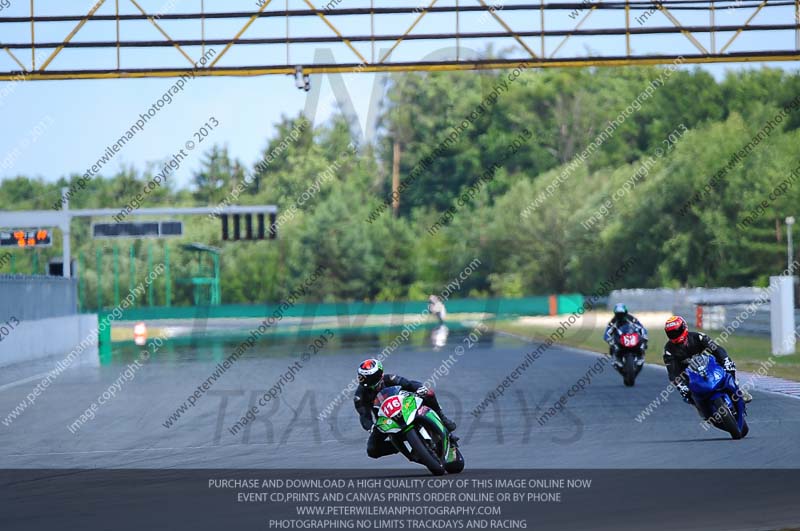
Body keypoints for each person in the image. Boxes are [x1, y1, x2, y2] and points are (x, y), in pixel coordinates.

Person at [353, 358, 457, 459]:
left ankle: (443, 419)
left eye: (371, 378)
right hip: (386, 421)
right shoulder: (359, 396)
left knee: (428, 393)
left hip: (405, 407)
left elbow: (409, 384)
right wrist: (370, 427)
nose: (368, 382)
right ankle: (402, 447)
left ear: (380, 374)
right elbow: (364, 416)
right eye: (364, 378)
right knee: (372, 450)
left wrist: (420, 388)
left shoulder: (390, 379)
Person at [663, 315, 752, 404]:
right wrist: (681, 386)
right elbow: (672, 373)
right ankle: (702, 407)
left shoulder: (698, 337)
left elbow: (716, 349)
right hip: (689, 375)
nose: (675, 335)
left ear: (684, 327)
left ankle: (737, 389)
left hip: (708, 365)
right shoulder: (668, 350)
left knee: (729, 368)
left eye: (677, 331)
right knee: (688, 396)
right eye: (671, 333)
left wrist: (725, 360)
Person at [604, 303, 648, 367]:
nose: (620, 316)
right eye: (618, 314)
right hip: (619, 337)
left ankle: (640, 356)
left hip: (630, 335)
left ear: (625, 312)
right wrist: (609, 339)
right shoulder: (613, 321)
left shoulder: (631, 318)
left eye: (622, 314)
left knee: (642, 340)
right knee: (613, 345)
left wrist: (644, 335)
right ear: (615, 314)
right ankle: (617, 358)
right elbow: (607, 333)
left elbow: (641, 327)